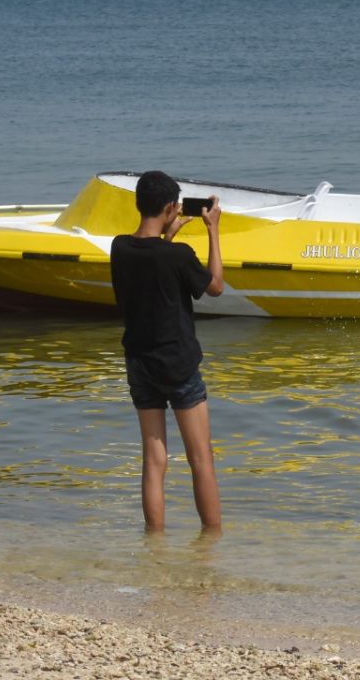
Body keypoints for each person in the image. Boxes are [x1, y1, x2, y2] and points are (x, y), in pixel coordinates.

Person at [110, 171, 225, 532]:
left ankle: (154, 542)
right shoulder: (177, 255)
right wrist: (212, 230)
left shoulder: (119, 247)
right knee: (200, 458)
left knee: (154, 458)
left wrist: (168, 235)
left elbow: (150, 259)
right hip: (178, 365)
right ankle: (211, 543)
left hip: (140, 363)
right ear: (171, 207)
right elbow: (216, 286)